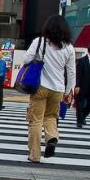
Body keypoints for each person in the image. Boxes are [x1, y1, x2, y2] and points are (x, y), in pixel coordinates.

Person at [24, 14, 75, 163]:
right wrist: (68, 92)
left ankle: (34, 155)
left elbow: (26, 59)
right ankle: (52, 137)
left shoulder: (39, 42)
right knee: (51, 116)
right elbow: (71, 71)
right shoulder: (69, 48)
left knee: (36, 120)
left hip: (40, 86)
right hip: (58, 89)